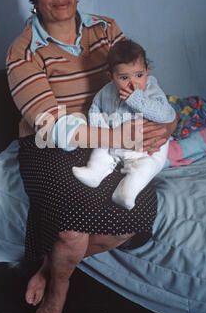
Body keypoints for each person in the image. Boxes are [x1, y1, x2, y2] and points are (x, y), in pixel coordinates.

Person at [6, 0, 178, 313]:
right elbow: (50, 127)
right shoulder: (23, 52)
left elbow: (139, 79)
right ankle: (59, 291)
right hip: (48, 146)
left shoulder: (105, 29)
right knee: (72, 229)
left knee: (131, 218)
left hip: (111, 138)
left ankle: (51, 267)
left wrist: (167, 124)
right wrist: (118, 136)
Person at [72, 39, 176, 210]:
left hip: (146, 146)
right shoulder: (106, 92)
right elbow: (95, 109)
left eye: (139, 75)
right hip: (114, 140)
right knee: (100, 151)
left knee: (147, 167)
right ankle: (95, 172)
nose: (133, 83)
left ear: (147, 71)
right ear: (111, 76)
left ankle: (126, 192)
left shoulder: (152, 91)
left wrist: (136, 99)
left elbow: (166, 114)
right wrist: (102, 130)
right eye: (124, 77)